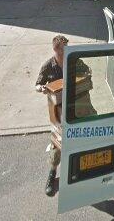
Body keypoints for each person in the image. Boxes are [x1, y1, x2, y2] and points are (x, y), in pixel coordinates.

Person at [35, 34, 68, 197]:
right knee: (57, 141)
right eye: (61, 50)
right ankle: (52, 173)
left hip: (75, 104)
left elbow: (87, 72)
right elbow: (37, 84)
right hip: (56, 108)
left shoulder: (73, 60)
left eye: (65, 49)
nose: (64, 53)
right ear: (55, 49)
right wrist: (41, 88)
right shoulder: (48, 65)